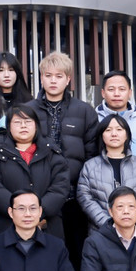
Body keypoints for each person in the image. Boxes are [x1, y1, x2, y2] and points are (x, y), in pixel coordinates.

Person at [0, 104, 71, 241]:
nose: (23, 126)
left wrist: (37, 213)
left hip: (46, 225)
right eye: (17, 122)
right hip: (5, 225)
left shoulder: (52, 153)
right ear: (9, 127)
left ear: (36, 126)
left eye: (28, 121)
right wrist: (19, 212)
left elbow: (60, 188)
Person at [31, 52, 98, 197]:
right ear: (41, 78)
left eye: (59, 76)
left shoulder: (85, 111)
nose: (53, 81)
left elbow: (92, 153)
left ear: (68, 79)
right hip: (35, 189)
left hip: (74, 190)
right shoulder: (28, 111)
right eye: (48, 75)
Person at [77, 114, 136, 229]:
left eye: (119, 129)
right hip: (102, 232)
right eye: (108, 130)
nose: (114, 134)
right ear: (101, 135)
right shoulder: (90, 167)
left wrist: (133, 222)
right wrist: (109, 225)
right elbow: (85, 198)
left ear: (127, 135)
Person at [95, 70, 136, 168]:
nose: (116, 94)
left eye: (122, 89)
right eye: (111, 89)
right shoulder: (94, 119)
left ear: (130, 93)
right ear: (103, 93)